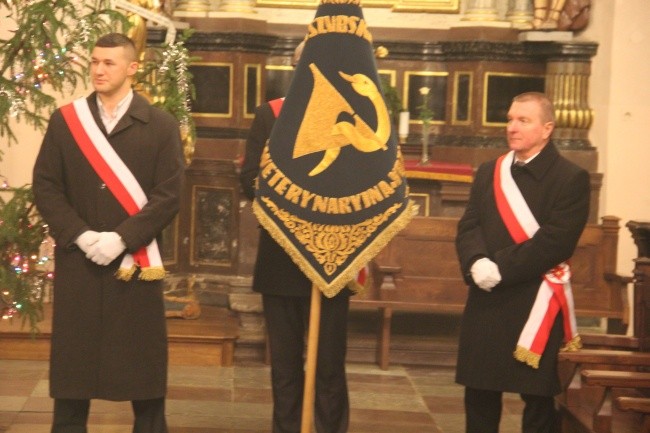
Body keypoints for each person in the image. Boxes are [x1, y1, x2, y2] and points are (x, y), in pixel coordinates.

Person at [32, 33, 184, 433]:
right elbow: (46, 186)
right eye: (95, 61)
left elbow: (168, 195)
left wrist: (122, 238)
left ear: (132, 68)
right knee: (73, 370)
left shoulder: (161, 125)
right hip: (79, 262)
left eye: (109, 63)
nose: (98, 70)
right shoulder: (66, 121)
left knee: (142, 367)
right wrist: (80, 235)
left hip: (134, 264)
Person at [455, 92, 590, 433]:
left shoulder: (570, 177)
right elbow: (470, 224)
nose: (512, 127)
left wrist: (499, 267)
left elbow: (556, 241)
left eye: (523, 120)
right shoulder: (490, 171)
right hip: (486, 300)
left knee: (538, 401)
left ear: (547, 129)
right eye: (510, 119)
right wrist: (475, 262)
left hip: (535, 301)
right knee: (480, 393)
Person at [239, 41, 351, 433]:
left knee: (329, 364)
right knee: (284, 364)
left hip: (332, 257)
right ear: (295, 67)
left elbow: (363, 184)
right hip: (281, 255)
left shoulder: (350, 116)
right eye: (303, 62)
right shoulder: (270, 115)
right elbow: (249, 178)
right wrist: (296, 208)